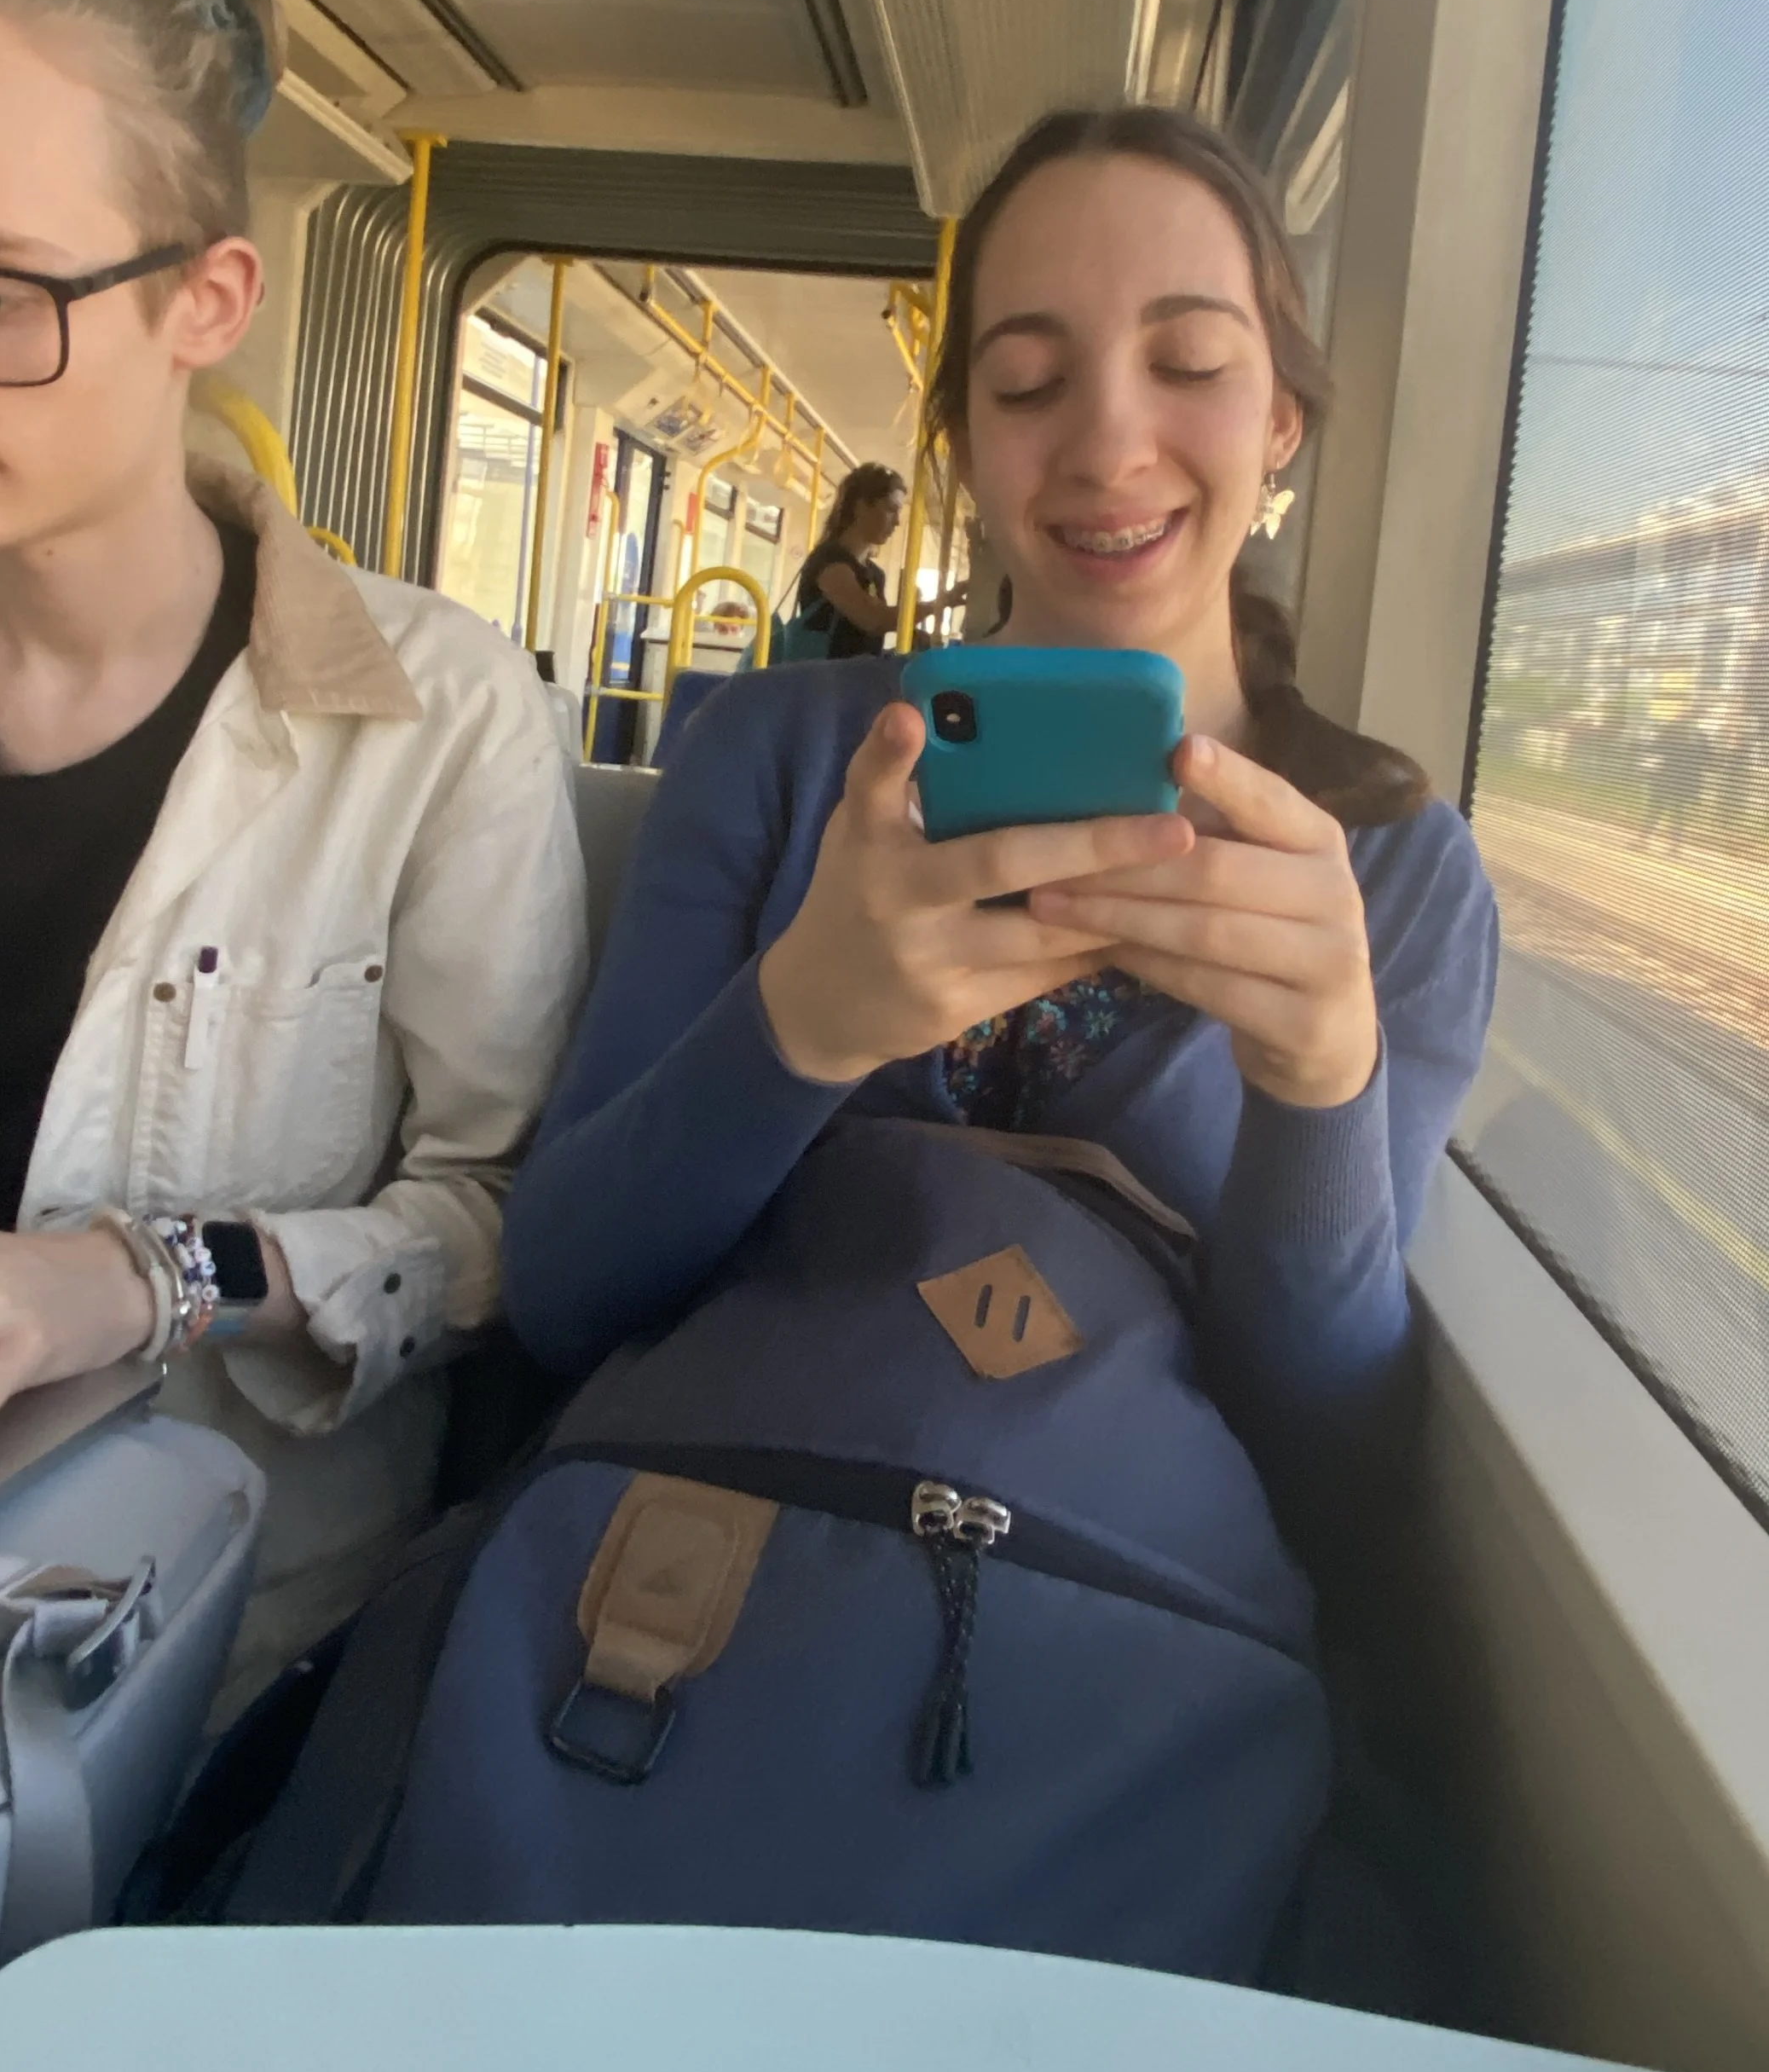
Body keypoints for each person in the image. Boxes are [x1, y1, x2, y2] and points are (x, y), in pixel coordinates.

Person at [503, 104, 1497, 1602]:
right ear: (963, 442)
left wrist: (1319, 1093)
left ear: (1279, 417)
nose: (1107, 441)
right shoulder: (772, 760)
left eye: (1188, 364)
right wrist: (801, 1026)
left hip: (1085, 1639)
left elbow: (1327, 1470)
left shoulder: (1392, 873)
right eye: (1028, 379)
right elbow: (558, 1294)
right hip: (682, 1575)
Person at [0, 0, 587, 1713]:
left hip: (150, 1603)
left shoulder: (443, 724)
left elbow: (495, 1225)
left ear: (207, 303)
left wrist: (149, 1274)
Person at [783, 462, 905, 654]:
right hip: (821, 679)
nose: (897, 522)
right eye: (891, 509)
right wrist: (935, 606)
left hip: (854, 679)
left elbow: (864, 639)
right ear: (861, 507)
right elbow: (871, 619)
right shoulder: (829, 562)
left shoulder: (875, 575)